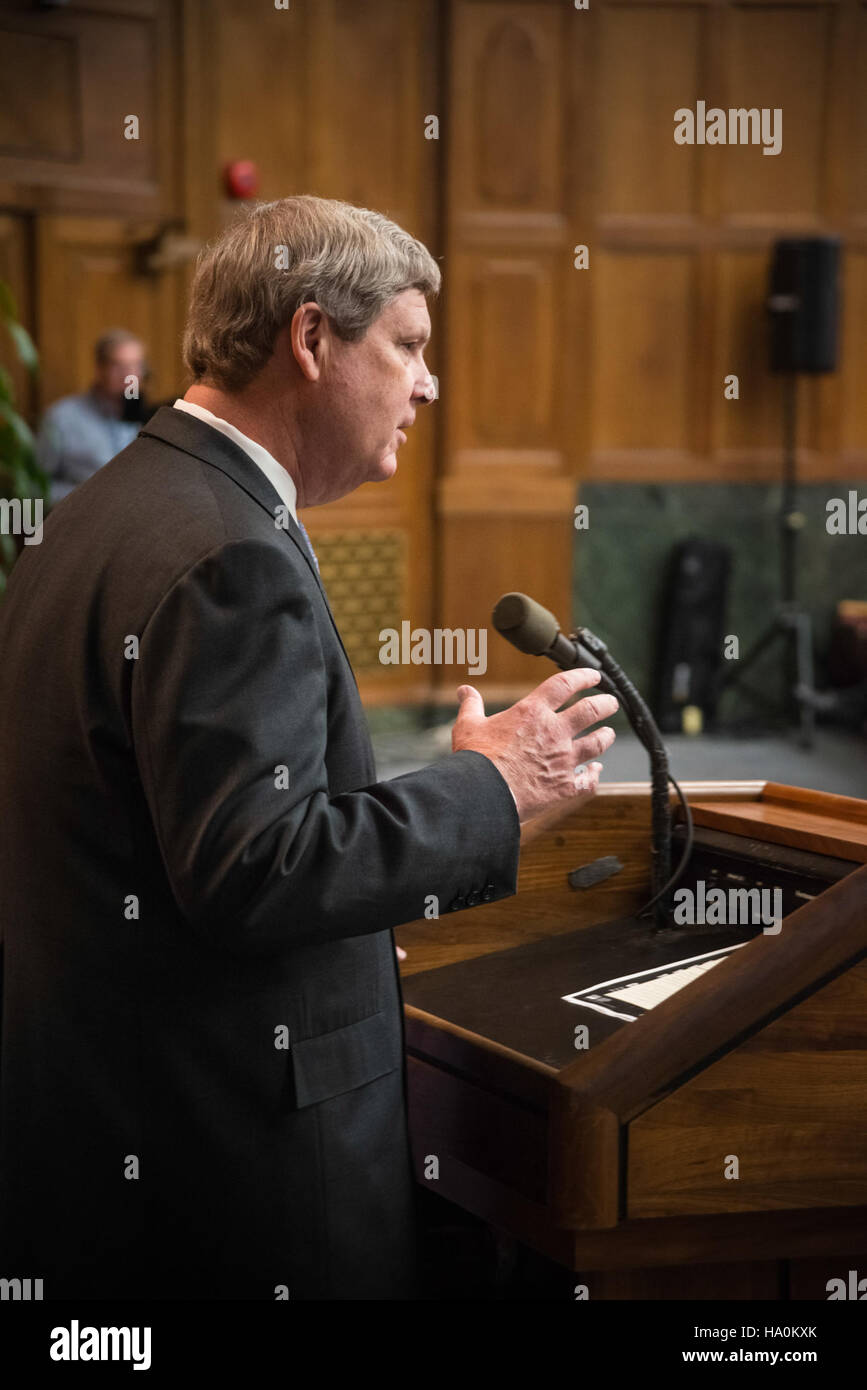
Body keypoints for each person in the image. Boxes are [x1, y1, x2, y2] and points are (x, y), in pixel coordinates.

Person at [0, 196, 617, 1300]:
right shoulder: (232, 554)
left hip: (97, 1134)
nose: (429, 386)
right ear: (313, 337)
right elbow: (256, 867)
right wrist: (492, 785)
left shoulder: (95, 515)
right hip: (230, 1174)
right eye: (411, 346)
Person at [35, 329, 147, 503]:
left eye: (136, 366)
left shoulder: (147, 416)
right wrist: (88, 496)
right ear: (100, 368)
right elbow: (35, 486)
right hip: (81, 520)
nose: (129, 376)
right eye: (119, 366)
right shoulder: (61, 418)